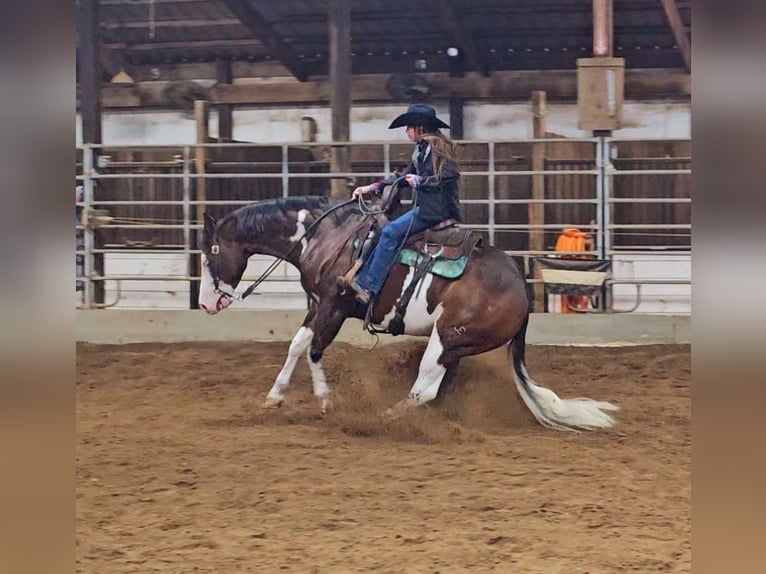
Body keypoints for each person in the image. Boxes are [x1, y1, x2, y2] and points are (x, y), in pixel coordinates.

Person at [343, 103, 461, 305]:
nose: (406, 131)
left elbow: (449, 175)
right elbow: (402, 176)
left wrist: (421, 182)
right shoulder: (422, 150)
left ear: (420, 128)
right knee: (383, 228)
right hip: (426, 209)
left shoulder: (437, 148)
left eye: (409, 127)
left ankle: (370, 286)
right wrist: (374, 187)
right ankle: (362, 276)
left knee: (389, 233)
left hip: (434, 212)